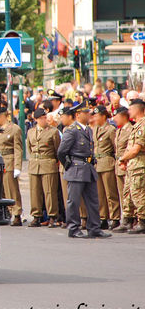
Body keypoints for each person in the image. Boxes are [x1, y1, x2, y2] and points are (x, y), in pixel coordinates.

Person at [57, 102, 111, 238]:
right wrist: (69, 165)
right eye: (86, 113)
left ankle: (94, 227)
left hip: (88, 168)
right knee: (74, 201)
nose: (89, 115)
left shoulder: (88, 130)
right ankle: (73, 228)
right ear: (77, 115)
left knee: (93, 200)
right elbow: (61, 152)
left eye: (89, 113)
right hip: (76, 169)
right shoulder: (72, 130)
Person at [26, 108, 60, 227]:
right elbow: (30, 148)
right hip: (35, 163)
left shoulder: (53, 131)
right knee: (35, 192)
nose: (43, 120)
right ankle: (36, 215)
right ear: (35, 119)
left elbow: (57, 149)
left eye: (45, 118)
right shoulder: (31, 132)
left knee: (50, 192)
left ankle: (52, 216)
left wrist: (55, 161)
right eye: (40, 118)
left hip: (48, 163)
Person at [0, 106, 23, 226]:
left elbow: (18, 149)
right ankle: (4, 212)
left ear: (3, 115)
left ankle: (17, 213)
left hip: (9, 161)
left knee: (11, 190)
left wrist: (18, 167)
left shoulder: (14, 129)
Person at [118, 99, 145, 234]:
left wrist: (122, 158)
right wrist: (125, 161)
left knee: (138, 194)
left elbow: (136, 149)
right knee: (128, 193)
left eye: (131, 108)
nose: (128, 111)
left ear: (138, 109)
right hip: (132, 165)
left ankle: (143, 221)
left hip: (140, 165)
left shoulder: (143, 125)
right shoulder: (136, 125)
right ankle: (128, 220)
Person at [91, 105, 120, 230]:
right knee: (100, 194)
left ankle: (115, 217)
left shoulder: (110, 129)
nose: (95, 118)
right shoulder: (95, 129)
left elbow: (116, 147)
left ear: (103, 116)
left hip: (107, 162)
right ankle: (103, 217)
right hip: (97, 163)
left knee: (111, 193)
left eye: (97, 115)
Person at [112, 106, 135, 233]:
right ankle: (125, 218)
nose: (114, 119)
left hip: (127, 164)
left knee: (132, 194)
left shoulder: (131, 130)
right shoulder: (118, 131)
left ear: (123, 116)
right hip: (118, 164)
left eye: (117, 116)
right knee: (122, 194)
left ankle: (134, 219)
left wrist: (124, 161)